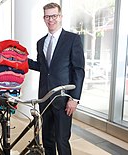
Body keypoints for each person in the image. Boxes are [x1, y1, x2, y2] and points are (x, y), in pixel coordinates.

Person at [28, 2, 85, 155]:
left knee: (62, 140)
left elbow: (78, 70)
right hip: (45, 98)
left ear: (60, 17)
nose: (50, 19)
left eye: (53, 16)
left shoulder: (73, 39)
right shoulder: (41, 42)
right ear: (44, 18)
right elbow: (43, 67)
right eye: (47, 16)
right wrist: (21, 61)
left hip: (63, 99)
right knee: (47, 139)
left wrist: (75, 98)